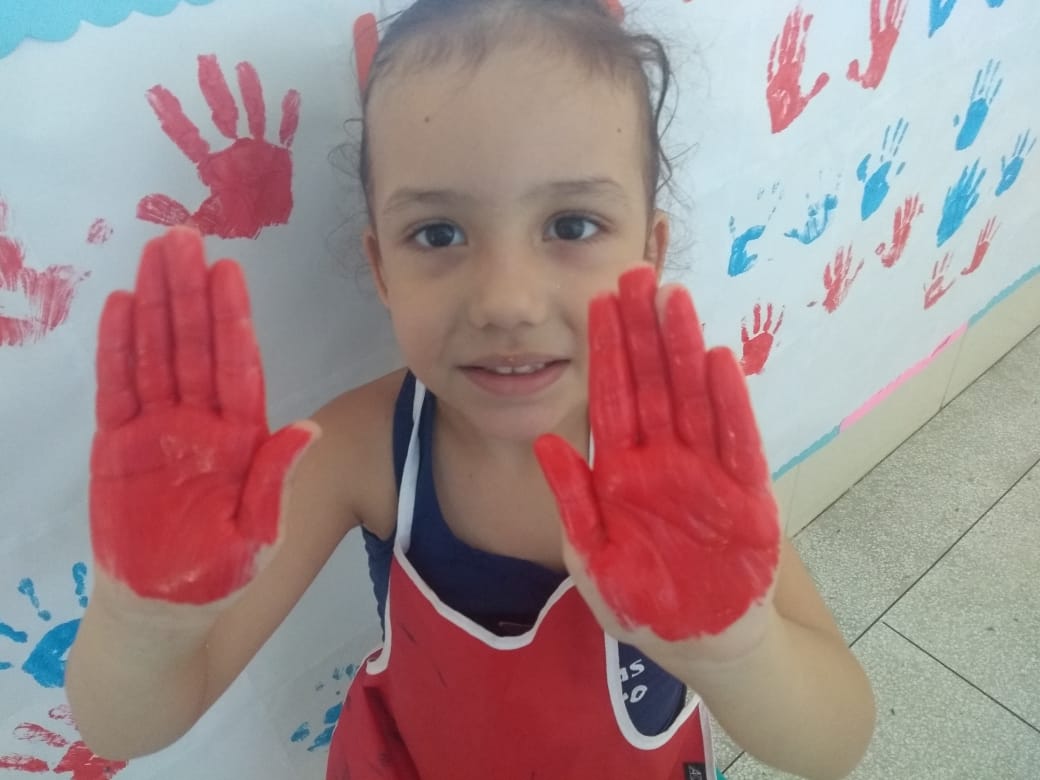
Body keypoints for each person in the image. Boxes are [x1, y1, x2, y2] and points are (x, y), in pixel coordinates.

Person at [66, 1, 876, 778]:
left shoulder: (688, 463)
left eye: (571, 225)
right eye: (439, 233)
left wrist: (735, 651)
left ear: (648, 254)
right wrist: (143, 621)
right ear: (383, 267)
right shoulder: (356, 449)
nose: (506, 302)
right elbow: (132, 727)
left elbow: (836, 741)